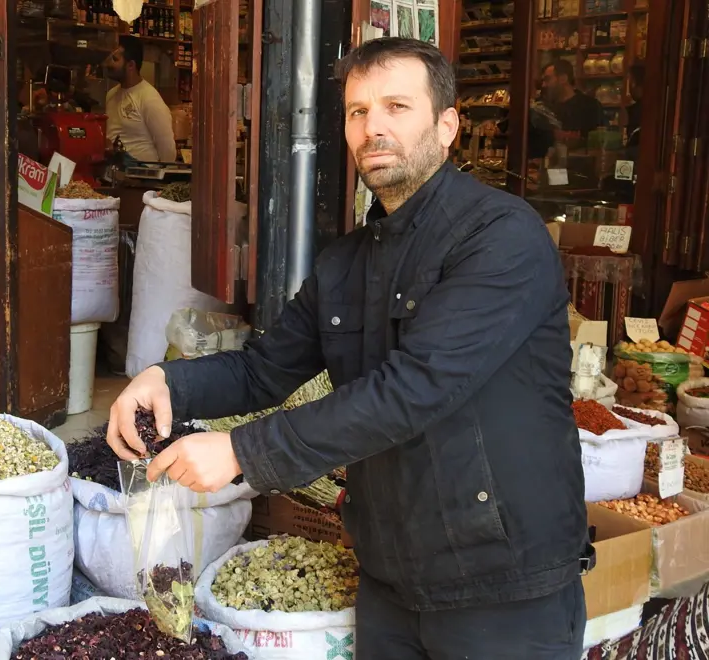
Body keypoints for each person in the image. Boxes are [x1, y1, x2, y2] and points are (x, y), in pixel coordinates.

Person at [108, 37, 591, 660]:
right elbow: (264, 368)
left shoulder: (500, 236)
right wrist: (166, 382)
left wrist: (242, 451)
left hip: (501, 583)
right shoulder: (348, 261)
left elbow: (416, 388)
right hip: (392, 578)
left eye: (396, 106)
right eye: (359, 112)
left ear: (447, 126)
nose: (374, 128)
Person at [103, 36, 177, 164]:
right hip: (115, 175)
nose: (108, 64)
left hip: (143, 177)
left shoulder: (149, 98)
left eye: (115, 59)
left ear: (131, 65)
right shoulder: (111, 94)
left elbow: (168, 150)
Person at [541, 59, 605, 140]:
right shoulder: (544, 108)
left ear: (563, 78)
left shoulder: (590, 106)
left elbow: (598, 141)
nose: (543, 85)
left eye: (547, 79)